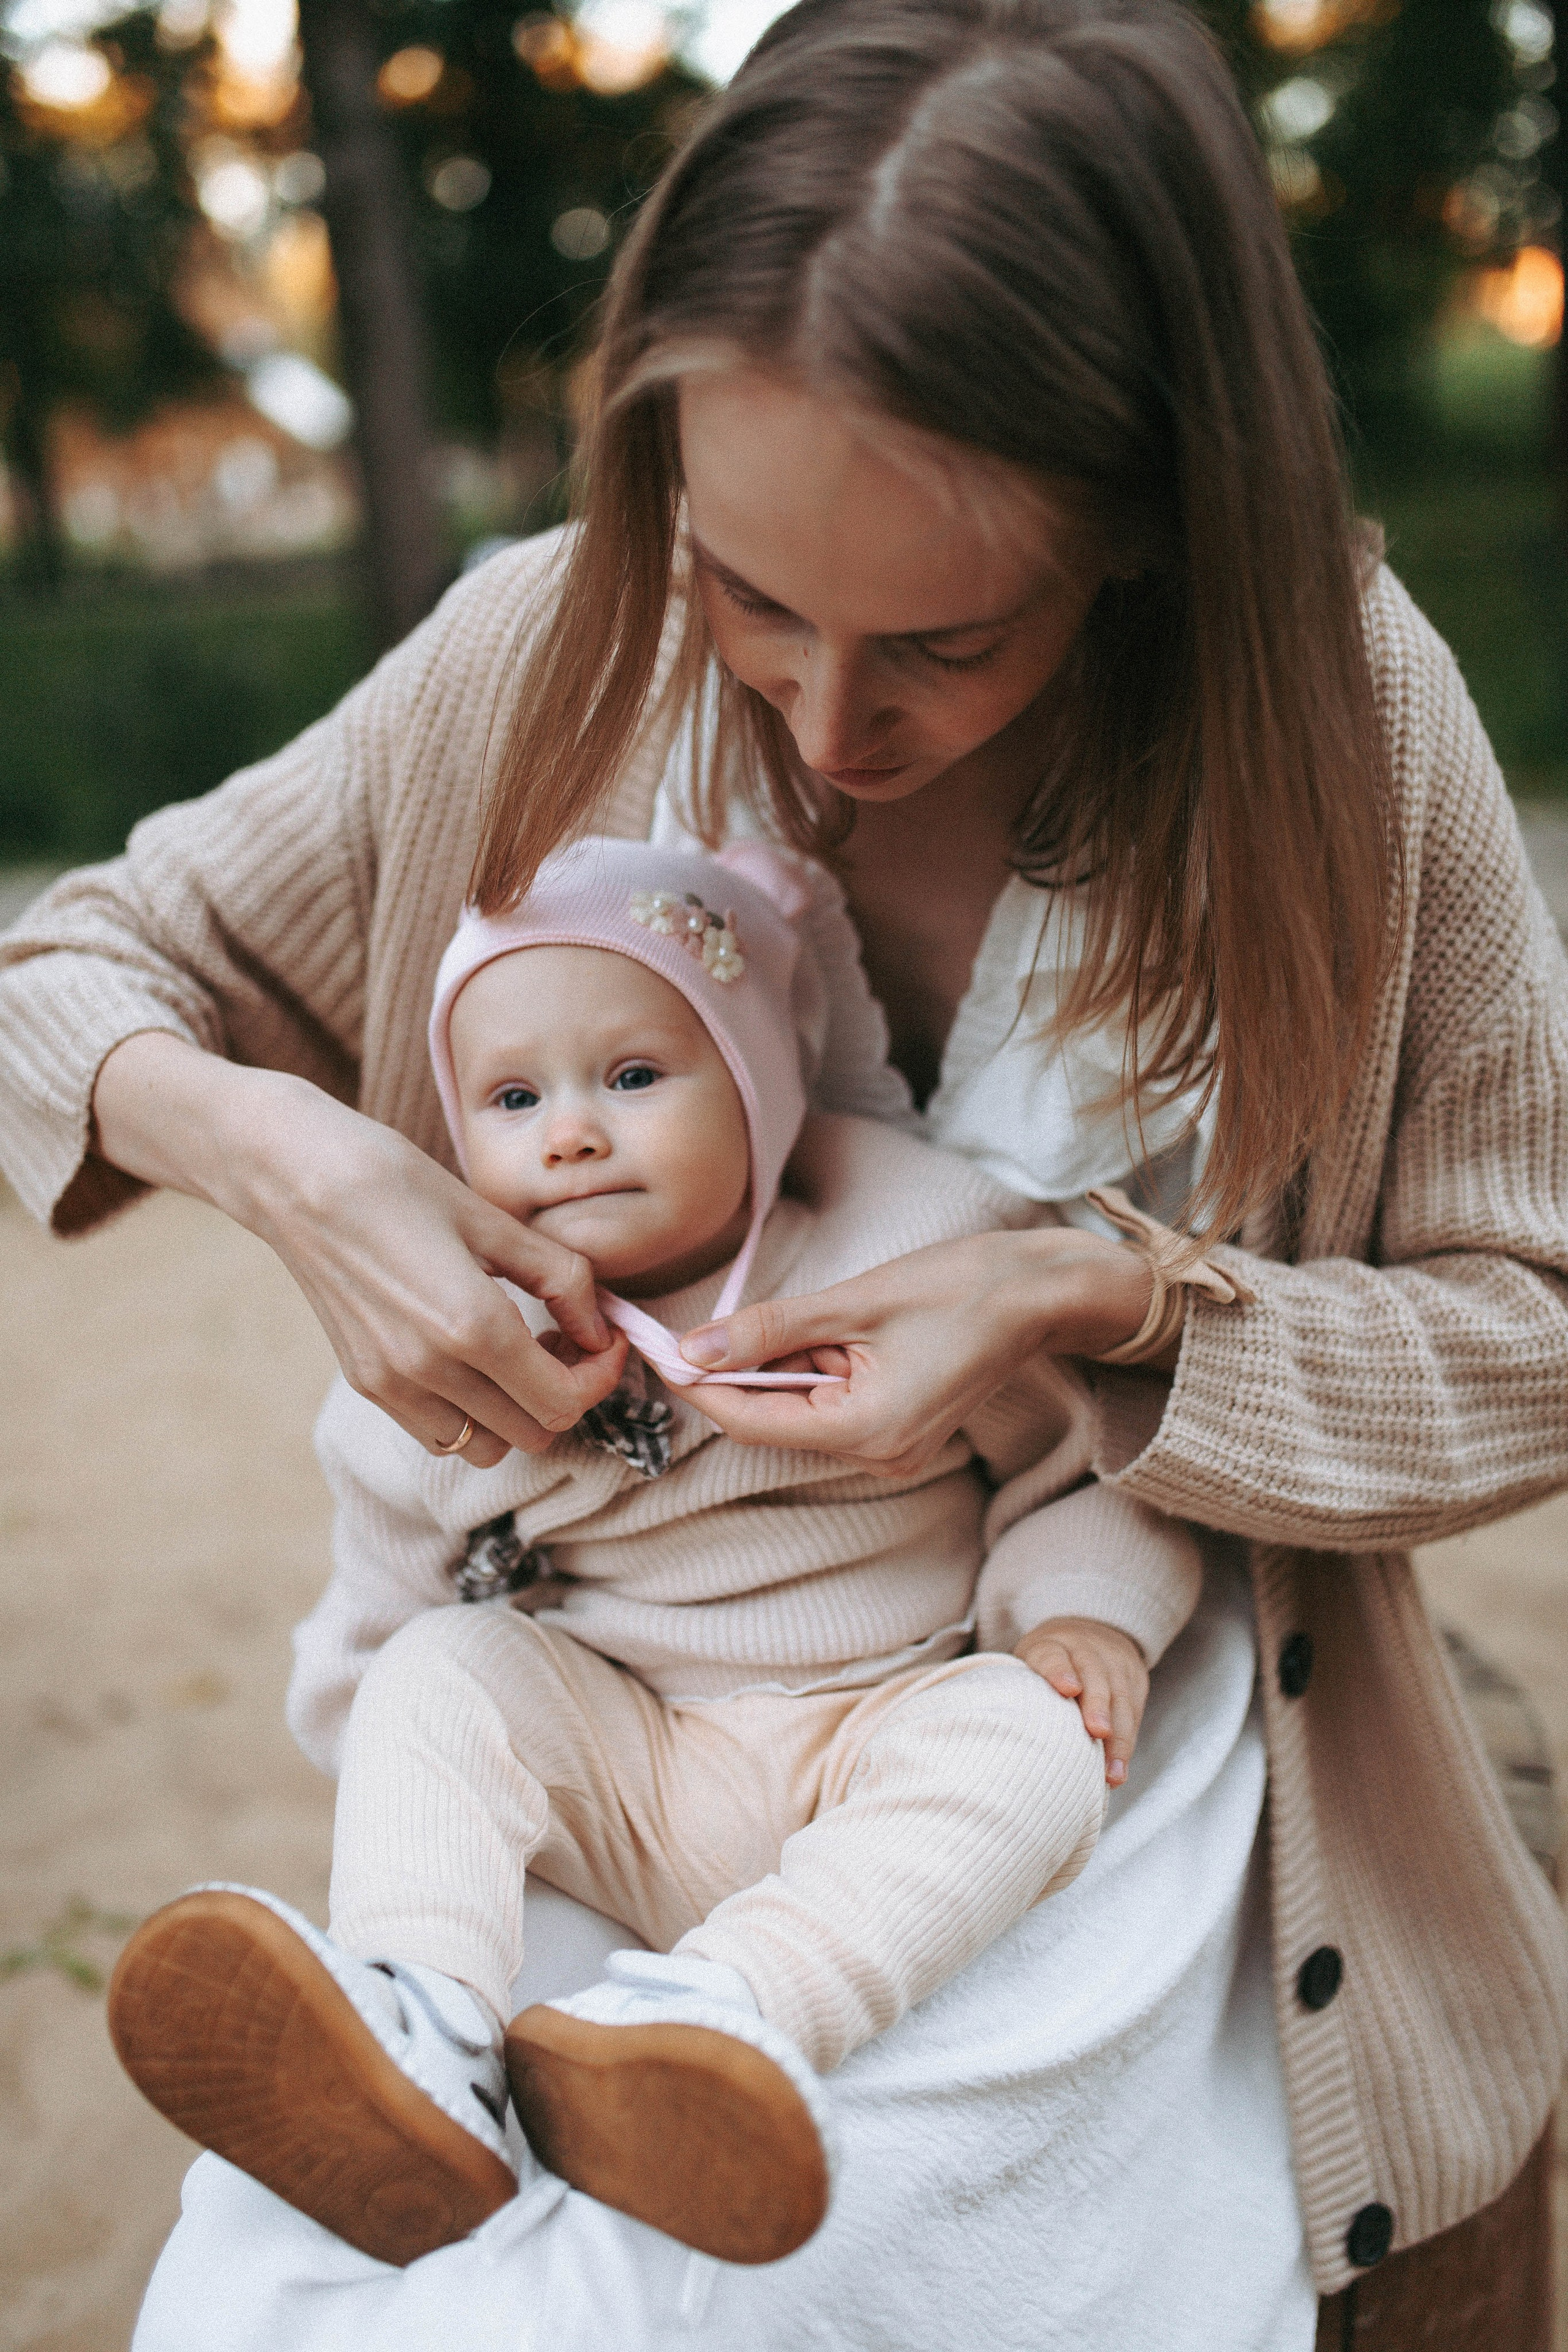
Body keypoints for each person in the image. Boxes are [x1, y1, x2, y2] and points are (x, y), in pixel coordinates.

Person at [2, 1, 1565, 2344]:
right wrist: (293, 1163)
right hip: (603, 1690)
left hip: (1068, 1747)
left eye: (947, 638)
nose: (826, 732)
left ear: (1152, 523)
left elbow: (1532, 1332)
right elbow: (71, 967)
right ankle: (451, 2046)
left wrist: (1088, 1298)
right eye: (753, 598)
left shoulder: (1338, 726)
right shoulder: (548, 642)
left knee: (777, 2283)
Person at [108, 832, 1210, 2269]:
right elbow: (384, 1584)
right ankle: (417, 2029)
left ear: (755, 1093)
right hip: (623, 1753)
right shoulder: (457, 1346)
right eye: (512, 1097)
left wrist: (1086, 1617)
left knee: (1033, 1746)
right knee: (448, 1667)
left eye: (631, 1077)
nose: (567, 1132)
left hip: (867, 1731)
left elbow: (1088, 1457)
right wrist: (404, 1755)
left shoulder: (899, 1261)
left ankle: (712, 2021)